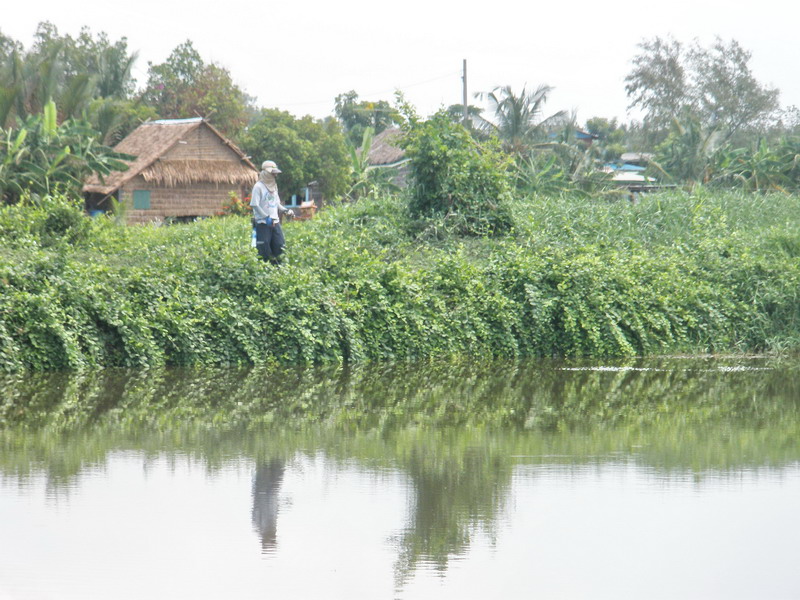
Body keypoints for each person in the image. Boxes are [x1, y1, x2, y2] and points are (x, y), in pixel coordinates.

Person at [250, 160, 294, 265]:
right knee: (264, 249)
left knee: (280, 246)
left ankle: (278, 270)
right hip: (262, 223)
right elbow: (254, 205)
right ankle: (264, 270)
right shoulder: (258, 187)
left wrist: (285, 210)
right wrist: (266, 217)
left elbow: (276, 203)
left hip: (275, 222)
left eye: (275, 174)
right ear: (265, 173)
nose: (274, 175)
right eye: (272, 173)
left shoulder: (274, 186)